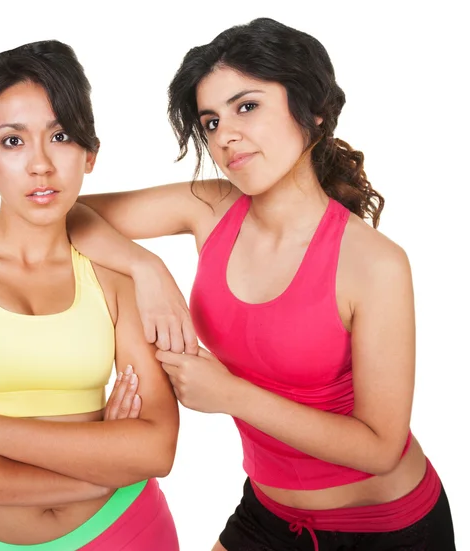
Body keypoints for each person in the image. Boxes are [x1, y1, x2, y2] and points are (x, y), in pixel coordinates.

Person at [67, 17, 457, 551]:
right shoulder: (208, 207)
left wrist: (230, 395)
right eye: (210, 121)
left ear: (312, 111)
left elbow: (380, 447)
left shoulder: (374, 264)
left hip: (387, 528)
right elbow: (62, 213)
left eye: (246, 106)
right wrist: (146, 267)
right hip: (267, 515)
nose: (225, 135)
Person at [0, 40, 180, 551]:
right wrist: (89, 477)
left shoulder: (114, 271)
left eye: (60, 136)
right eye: (13, 141)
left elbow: (155, 448)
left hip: (126, 528)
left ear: (90, 154)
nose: (40, 164)